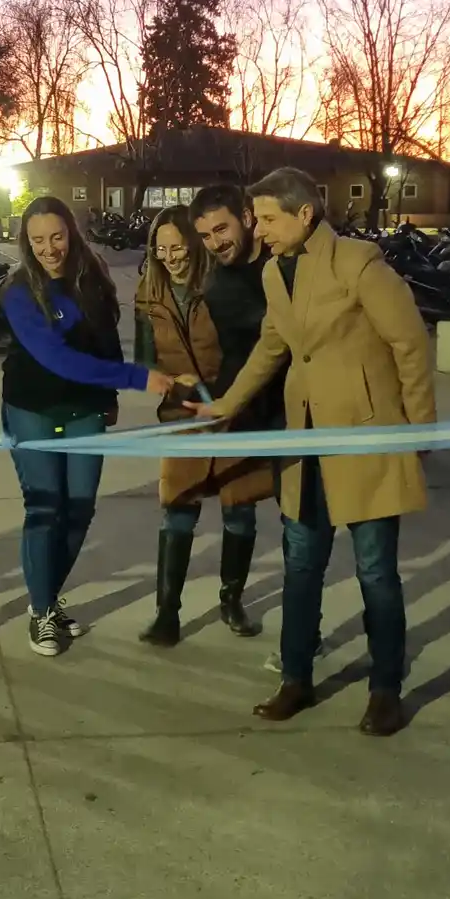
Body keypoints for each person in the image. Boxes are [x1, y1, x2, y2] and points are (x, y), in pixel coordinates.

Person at [190, 168, 436, 737]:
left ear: (304, 214)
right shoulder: (277, 272)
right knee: (301, 567)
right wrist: (227, 404)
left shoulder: (358, 263)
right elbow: (272, 346)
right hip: (305, 443)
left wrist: (420, 429)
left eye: (268, 219)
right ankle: (296, 679)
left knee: (376, 571)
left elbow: (410, 343)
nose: (260, 229)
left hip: (366, 439)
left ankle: (384, 692)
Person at [0, 197, 174, 656]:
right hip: (32, 409)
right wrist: (137, 378)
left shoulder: (91, 279)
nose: (48, 248)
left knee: (79, 510)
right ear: (26, 242)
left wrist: (110, 395)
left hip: (84, 411)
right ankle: (41, 611)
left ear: (71, 234)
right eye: (37, 240)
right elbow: (57, 359)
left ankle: (45, 599)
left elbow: (103, 342)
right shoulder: (19, 291)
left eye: (56, 236)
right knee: (44, 510)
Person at [189, 182, 325, 672]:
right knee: (238, 513)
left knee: (299, 523)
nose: (215, 241)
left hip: (295, 412)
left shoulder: (284, 264)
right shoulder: (217, 285)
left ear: (247, 218)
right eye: (204, 235)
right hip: (242, 411)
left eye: (221, 228)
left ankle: (304, 628)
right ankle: (231, 596)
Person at [133, 205, 279, 646]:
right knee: (177, 514)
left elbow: (250, 347)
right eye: (161, 250)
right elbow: (144, 359)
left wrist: (223, 390)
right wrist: (169, 381)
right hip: (182, 418)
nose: (170, 257)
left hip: (234, 410)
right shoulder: (148, 294)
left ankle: (231, 601)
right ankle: (167, 613)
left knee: (240, 512)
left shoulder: (221, 286)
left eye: (177, 247)